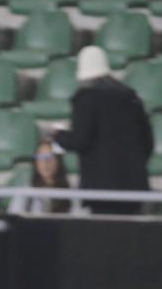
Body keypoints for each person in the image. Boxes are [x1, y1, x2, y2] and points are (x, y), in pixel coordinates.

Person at [53, 45, 152, 215]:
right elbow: (147, 142)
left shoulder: (87, 98)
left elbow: (80, 140)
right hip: (133, 187)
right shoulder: (131, 98)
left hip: (102, 188)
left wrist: (59, 136)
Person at [6, 140, 69, 214]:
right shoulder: (26, 192)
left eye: (50, 157)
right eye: (40, 157)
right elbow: (13, 215)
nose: (45, 162)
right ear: (36, 162)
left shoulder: (70, 193)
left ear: (58, 161)